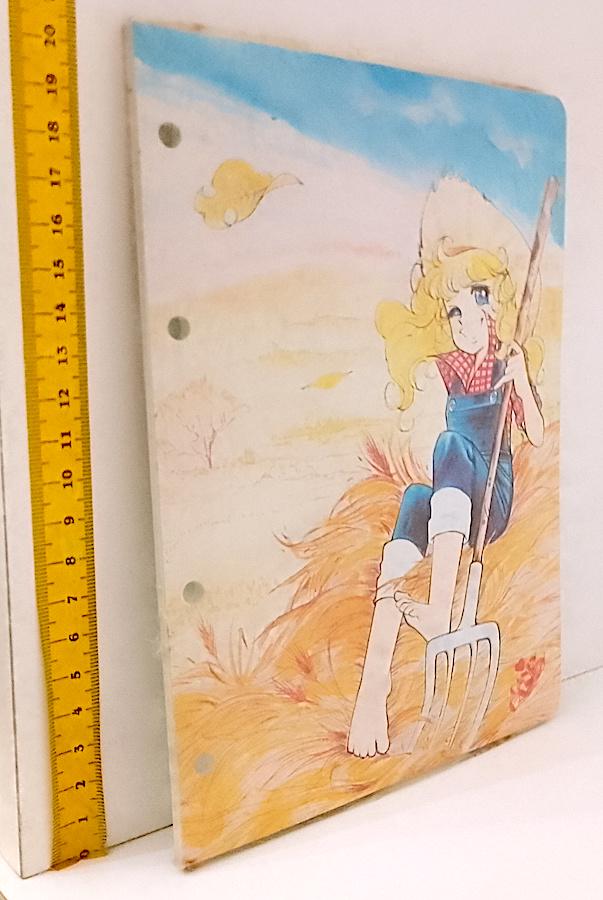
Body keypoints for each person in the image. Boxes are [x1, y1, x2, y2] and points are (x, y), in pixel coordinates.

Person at [347, 237, 544, 759]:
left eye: (475, 303)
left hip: (490, 503)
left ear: (493, 307)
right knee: (415, 497)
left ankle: (438, 611)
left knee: (449, 445)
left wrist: (522, 381)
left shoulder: (506, 364)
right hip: (456, 500)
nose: (463, 320)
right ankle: (373, 688)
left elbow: (537, 432)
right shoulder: (453, 370)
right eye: (453, 310)